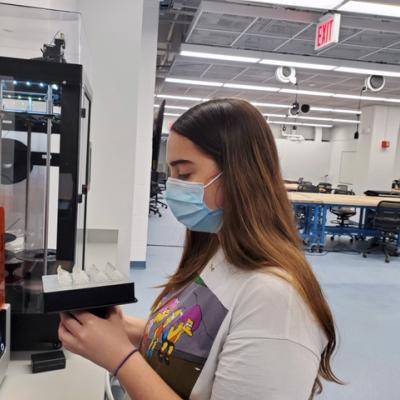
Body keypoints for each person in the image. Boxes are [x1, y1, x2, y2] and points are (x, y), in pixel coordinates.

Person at [59, 98, 342, 400]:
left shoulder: (277, 302)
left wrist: (121, 359)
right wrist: (119, 328)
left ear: (238, 175)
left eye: (184, 175)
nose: (173, 188)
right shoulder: (218, 254)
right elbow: (199, 347)